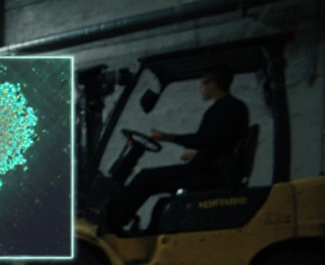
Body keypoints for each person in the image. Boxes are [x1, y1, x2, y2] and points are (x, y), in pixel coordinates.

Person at [107, 64, 250, 232]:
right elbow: (220, 141)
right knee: (155, 191)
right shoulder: (232, 107)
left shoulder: (225, 108)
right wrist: (197, 152)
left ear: (213, 84)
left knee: (145, 177)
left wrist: (168, 137)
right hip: (210, 167)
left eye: (203, 83)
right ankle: (127, 223)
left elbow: (206, 139)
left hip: (206, 172)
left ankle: (112, 222)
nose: (201, 88)